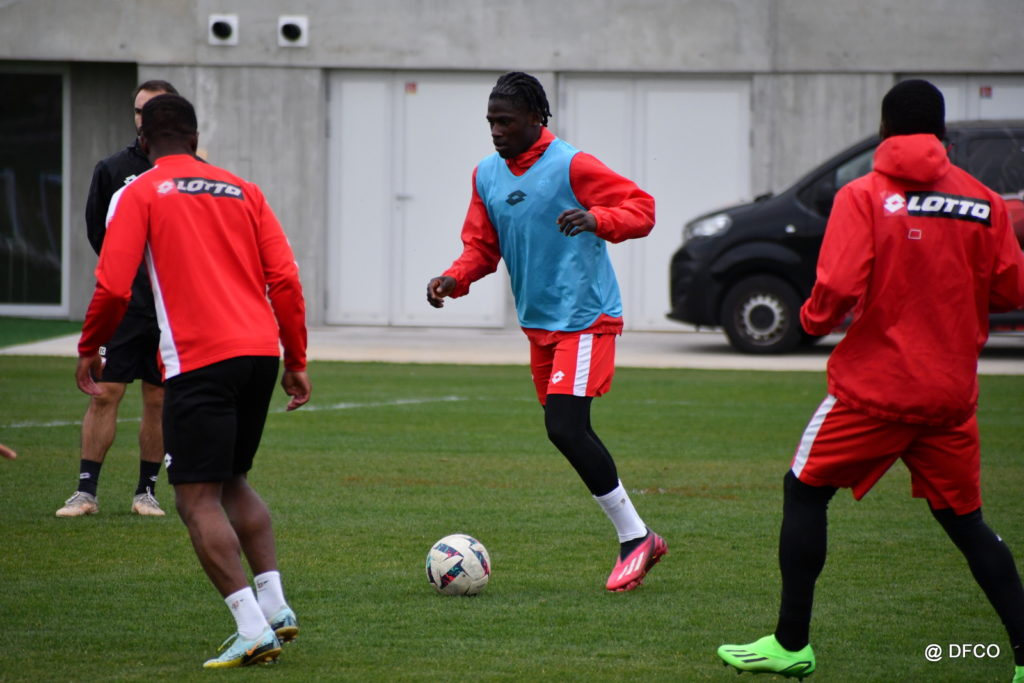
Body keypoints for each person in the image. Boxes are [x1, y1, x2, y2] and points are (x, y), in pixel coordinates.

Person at [718, 79, 1024, 680]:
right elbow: (1012, 289)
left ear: (884, 130)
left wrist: (811, 321)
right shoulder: (985, 201)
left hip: (875, 391)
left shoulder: (863, 194)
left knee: (804, 489)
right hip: (949, 396)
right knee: (967, 524)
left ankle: (791, 644)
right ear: (942, 133)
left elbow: (836, 287)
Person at [75, 94, 311, 668]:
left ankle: (251, 628)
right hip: (259, 353)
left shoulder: (138, 190)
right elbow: (284, 278)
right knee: (233, 481)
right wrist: (296, 359)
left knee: (195, 498)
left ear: (144, 142)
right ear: (195, 138)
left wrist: (90, 347)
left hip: (201, 359)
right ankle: (274, 604)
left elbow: (113, 285)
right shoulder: (244, 190)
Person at [426, 72, 667, 592]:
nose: (496, 130)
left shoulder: (571, 164)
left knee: (565, 427)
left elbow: (642, 209)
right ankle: (638, 535)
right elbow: (482, 247)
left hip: (584, 317)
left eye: (505, 121)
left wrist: (598, 220)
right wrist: (453, 278)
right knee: (567, 428)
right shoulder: (486, 174)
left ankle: (636, 537)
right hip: (538, 325)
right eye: (491, 121)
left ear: (536, 118)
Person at [57, 80, 179, 518]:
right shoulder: (112, 169)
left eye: (154, 109)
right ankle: (85, 492)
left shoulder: (191, 172)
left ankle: (146, 492)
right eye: (139, 110)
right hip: (124, 304)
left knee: (158, 398)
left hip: (169, 308)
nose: (144, 118)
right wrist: (126, 275)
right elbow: (98, 233)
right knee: (105, 392)